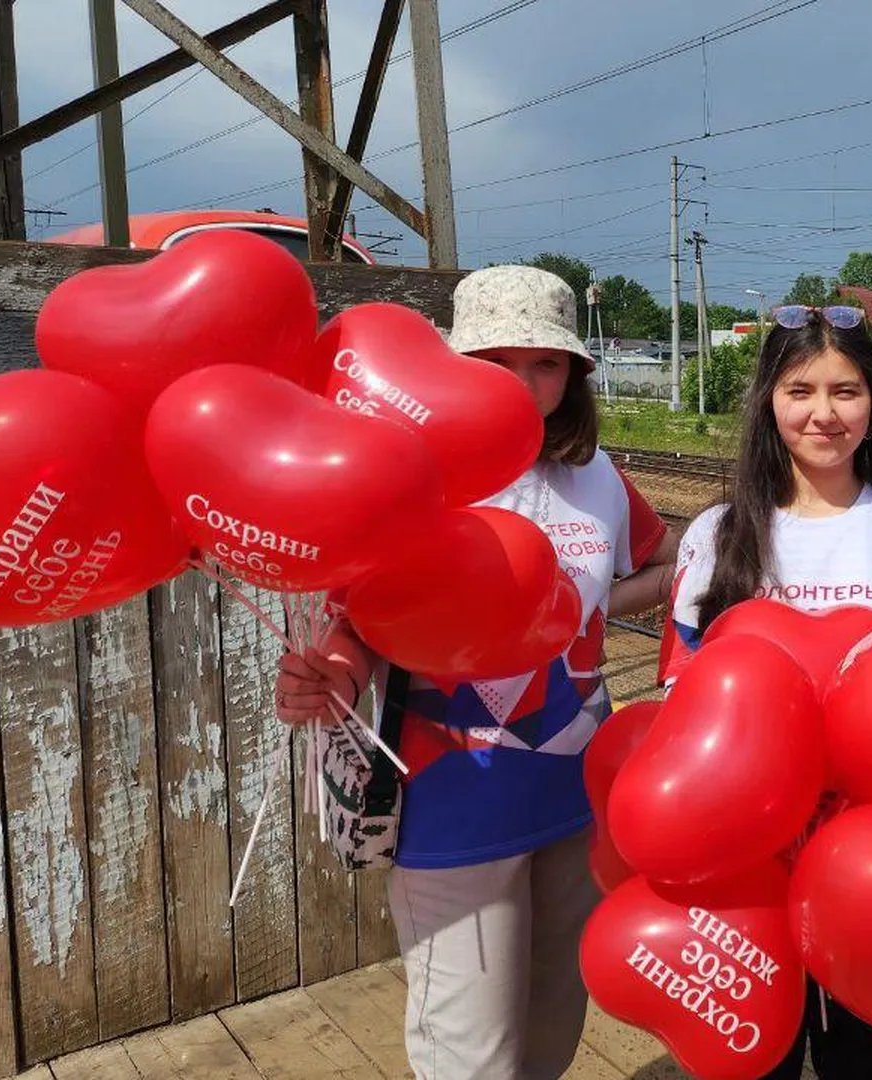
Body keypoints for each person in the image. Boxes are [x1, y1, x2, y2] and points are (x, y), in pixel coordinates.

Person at [274, 264, 679, 1080]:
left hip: (576, 796)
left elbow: (669, 561)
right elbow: (361, 621)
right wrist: (336, 679)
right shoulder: (413, 475)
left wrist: (592, 606)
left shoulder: (596, 479)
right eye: (496, 362)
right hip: (455, 800)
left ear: (575, 374)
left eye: (546, 363)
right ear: (458, 367)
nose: (523, 385)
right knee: (470, 1054)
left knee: (550, 1030)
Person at [659, 302, 872, 1080]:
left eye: (846, 391)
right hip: (746, 864)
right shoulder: (718, 533)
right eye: (800, 390)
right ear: (769, 405)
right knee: (757, 1062)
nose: (823, 413)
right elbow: (681, 691)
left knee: (864, 1067)